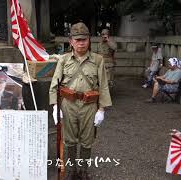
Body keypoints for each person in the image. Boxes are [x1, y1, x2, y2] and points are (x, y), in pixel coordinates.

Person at [49, 22, 112, 180]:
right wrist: (55, 107)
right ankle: (71, 170)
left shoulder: (98, 60)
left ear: (89, 40)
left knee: (87, 141)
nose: (81, 42)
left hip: (89, 106)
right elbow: (54, 85)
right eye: (77, 39)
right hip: (68, 105)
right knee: (69, 140)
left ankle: (83, 171)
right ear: (71, 41)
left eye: (84, 39)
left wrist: (102, 109)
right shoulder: (63, 60)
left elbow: (103, 85)